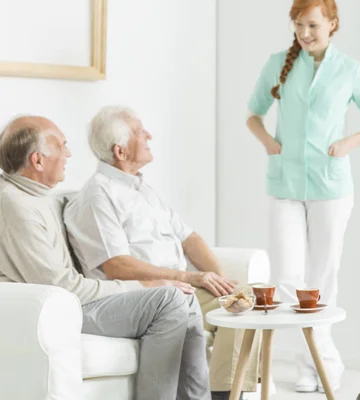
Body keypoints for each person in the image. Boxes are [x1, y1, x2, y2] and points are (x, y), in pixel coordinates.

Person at [0, 115, 210, 400]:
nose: (69, 154)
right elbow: (61, 286)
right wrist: (141, 286)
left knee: (180, 295)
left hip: (73, 302)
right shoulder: (15, 205)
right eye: (62, 147)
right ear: (38, 161)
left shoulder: (38, 197)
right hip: (56, 311)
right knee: (169, 298)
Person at [63, 106, 258, 400]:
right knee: (196, 301)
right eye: (141, 133)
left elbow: (189, 238)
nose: (149, 136)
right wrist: (185, 276)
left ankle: (229, 394)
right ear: (120, 150)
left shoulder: (142, 189)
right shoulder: (98, 195)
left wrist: (221, 282)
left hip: (182, 286)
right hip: (144, 295)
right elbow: (117, 265)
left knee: (244, 298)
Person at [246, 0, 360, 393]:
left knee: (323, 280)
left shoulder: (349, 70)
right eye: (298, 25)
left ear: (332, 24)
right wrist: (269, 144)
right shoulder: (278, 62)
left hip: (331, 186)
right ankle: (328, 361)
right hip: (284, 185)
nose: (304, 33)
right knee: (288, 278)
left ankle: (311, 368)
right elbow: (253, 113)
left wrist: (347, 143)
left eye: (312, 25)